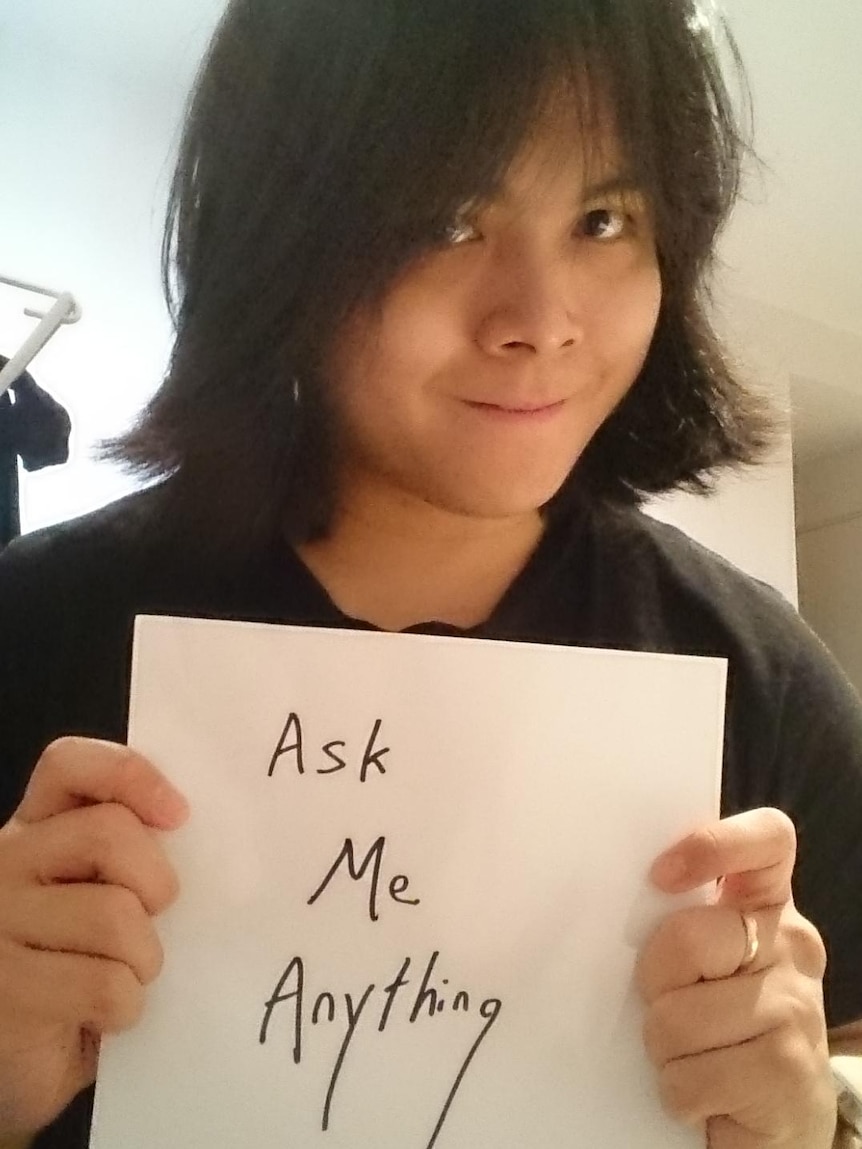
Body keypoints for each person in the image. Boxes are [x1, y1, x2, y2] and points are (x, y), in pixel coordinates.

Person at [1, 0, 861, 1145]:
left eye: (602, 219)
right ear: (281, 244)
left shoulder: (760, 675)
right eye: (449, 220)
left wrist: (809, 1118)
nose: (539, 321)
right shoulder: (37, 625)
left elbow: (839, 1055)